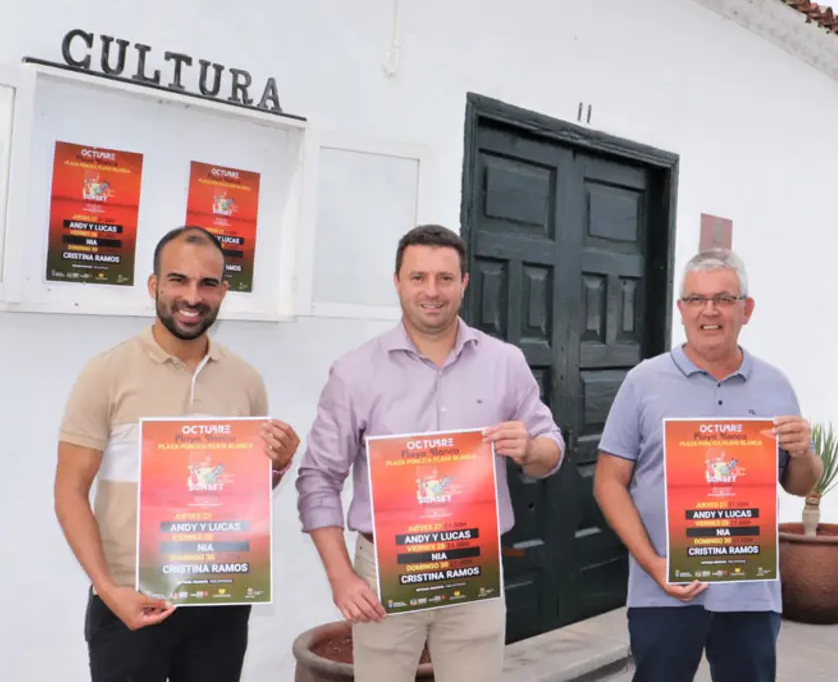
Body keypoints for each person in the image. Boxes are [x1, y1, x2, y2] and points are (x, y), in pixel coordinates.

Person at [295, 223, 566, 682]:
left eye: (445, 278)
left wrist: (530, 448)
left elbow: (551, 449)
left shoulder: (504, 362)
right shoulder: (355, 371)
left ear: (464, 282)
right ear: (397, 282)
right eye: (418, 277)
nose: (432, 291)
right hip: (385, 570)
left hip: (474, 565)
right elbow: (318, 477)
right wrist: (341, 576)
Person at [53, 225, 301, 682]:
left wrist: (279, 464)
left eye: (207, 283)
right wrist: (108, 589)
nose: (192, 296)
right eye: (178, 280)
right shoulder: (107, 373)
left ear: (223, 292)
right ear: (154, 286)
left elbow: (240, 495)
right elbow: (69, 491)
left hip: (220, 599)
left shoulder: (245, 381)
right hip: (131, 599)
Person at [592, 248, 821, 682]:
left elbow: (798, 483)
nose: (709, 311)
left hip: (749, 593)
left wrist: (804, 453)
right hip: (664, 590)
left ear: (746, 310)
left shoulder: (775, 385)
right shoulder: (643, 382)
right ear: (681, 309)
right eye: (696, 299)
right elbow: (608, 482)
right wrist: (653, 563)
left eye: (724, 299)